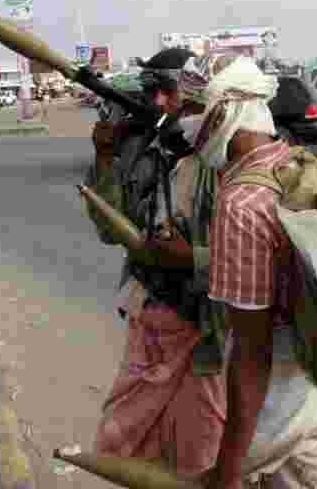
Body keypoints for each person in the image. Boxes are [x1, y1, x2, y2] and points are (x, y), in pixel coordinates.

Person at [195, 56, 317, 489]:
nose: (188, 127)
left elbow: (252, 353)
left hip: (283, 405)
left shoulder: (241, 203)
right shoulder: (303, 165)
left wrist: (228, 470)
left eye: (195, 112)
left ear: (222, 114)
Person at [85, 48, 233, 478]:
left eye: (167, 93)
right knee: (125, 443)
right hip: (154, 321)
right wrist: (106, 159)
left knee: (202, 452)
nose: (160, 104)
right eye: (153, 94)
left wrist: (192, 259)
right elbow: (111, 228)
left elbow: (261, 255)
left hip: (209, 334)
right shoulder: (151, 151)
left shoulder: (228, 159)